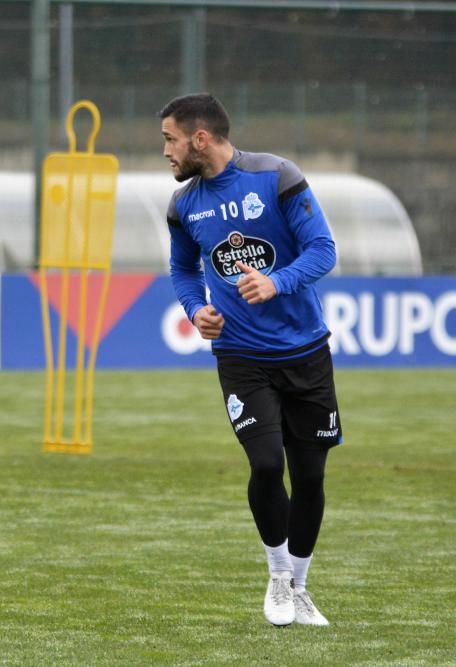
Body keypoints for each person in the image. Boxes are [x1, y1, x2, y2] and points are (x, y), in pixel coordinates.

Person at [159, 93, 341, 627]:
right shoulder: (183, 205)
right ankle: (277, 575)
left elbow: (324, 249)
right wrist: (196, 310)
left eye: (169, 139)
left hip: (306, 351)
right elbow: (182, 269)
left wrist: (276, 280)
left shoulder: (277, 176)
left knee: (310, 477)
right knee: (266, 463)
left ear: (200, 138)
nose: (165, 151)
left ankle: (300, 587)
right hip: (241, 356)